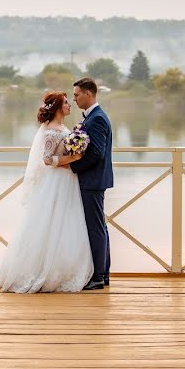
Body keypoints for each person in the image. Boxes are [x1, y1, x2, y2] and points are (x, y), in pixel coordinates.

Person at [0, 91, 94, 293]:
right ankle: (42, 271)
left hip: (67, 180)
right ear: (58, 107)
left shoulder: (63, 127)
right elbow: (48, 160)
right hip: (56, 181)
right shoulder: (50, 131)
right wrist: (73, 159)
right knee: (50, 221)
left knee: (67, 221)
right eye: (67, 103)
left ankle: (63, 269)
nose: (70, 105)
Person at [69, 77, 114, 290]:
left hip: (92, 180)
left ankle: (98, 276)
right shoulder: (93, 117)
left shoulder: (96, 119)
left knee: (95, 228)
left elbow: (96, 153)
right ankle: (102, 274)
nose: (74, 99)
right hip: (95, 179)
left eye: (77, 95)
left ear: (89, 94)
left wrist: (72, 166)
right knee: (100, 227)